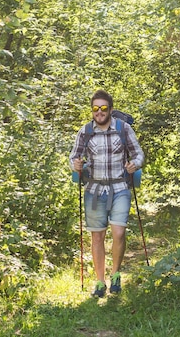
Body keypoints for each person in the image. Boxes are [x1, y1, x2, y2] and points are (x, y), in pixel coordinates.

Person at [69, 89, 145, 297]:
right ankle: (100, 282)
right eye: (96, 108)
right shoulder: (85, 132)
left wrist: (134, 165)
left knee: (119, 232)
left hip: (119, 187)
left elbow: (138, 154)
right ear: (92, 110)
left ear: (110, 109)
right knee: (97, 236)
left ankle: (116, 275)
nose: (99, 112)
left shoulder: (123, 129)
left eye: (103, 108)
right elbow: (74, 157)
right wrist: (75, 165)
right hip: (94, 190)